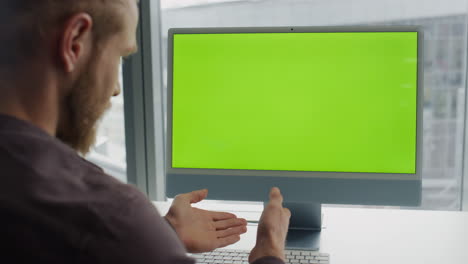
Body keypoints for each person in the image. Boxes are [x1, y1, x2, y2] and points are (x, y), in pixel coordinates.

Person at [0, 0, 291, 263]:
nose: (115, 89)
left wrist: (165, 232)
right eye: (119, 57)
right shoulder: (105, 217)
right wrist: (269, 250)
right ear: (75, 41)